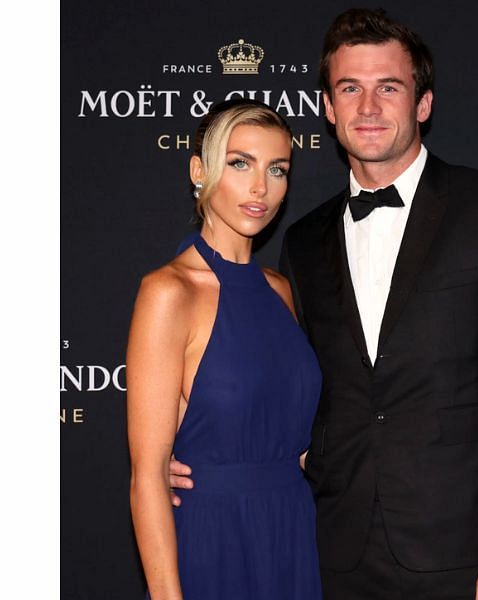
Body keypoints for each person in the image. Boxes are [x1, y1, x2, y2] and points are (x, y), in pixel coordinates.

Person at [171, 9, 478, 599]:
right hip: (330, 546)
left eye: (389, 87)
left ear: (423, 104)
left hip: (464, 551)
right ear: (328, 109)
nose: (368, 107)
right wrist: (204, 450)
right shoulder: (302, 240)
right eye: (349, 88)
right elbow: (287, 380)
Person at [127, 99, 322, 599]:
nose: (260, 187)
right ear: (199, 170)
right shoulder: (169, 292)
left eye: (276, 169)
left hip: (290, 531)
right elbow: (148, 476)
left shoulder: (279, 290)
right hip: (212, 538)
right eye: (240, 163)